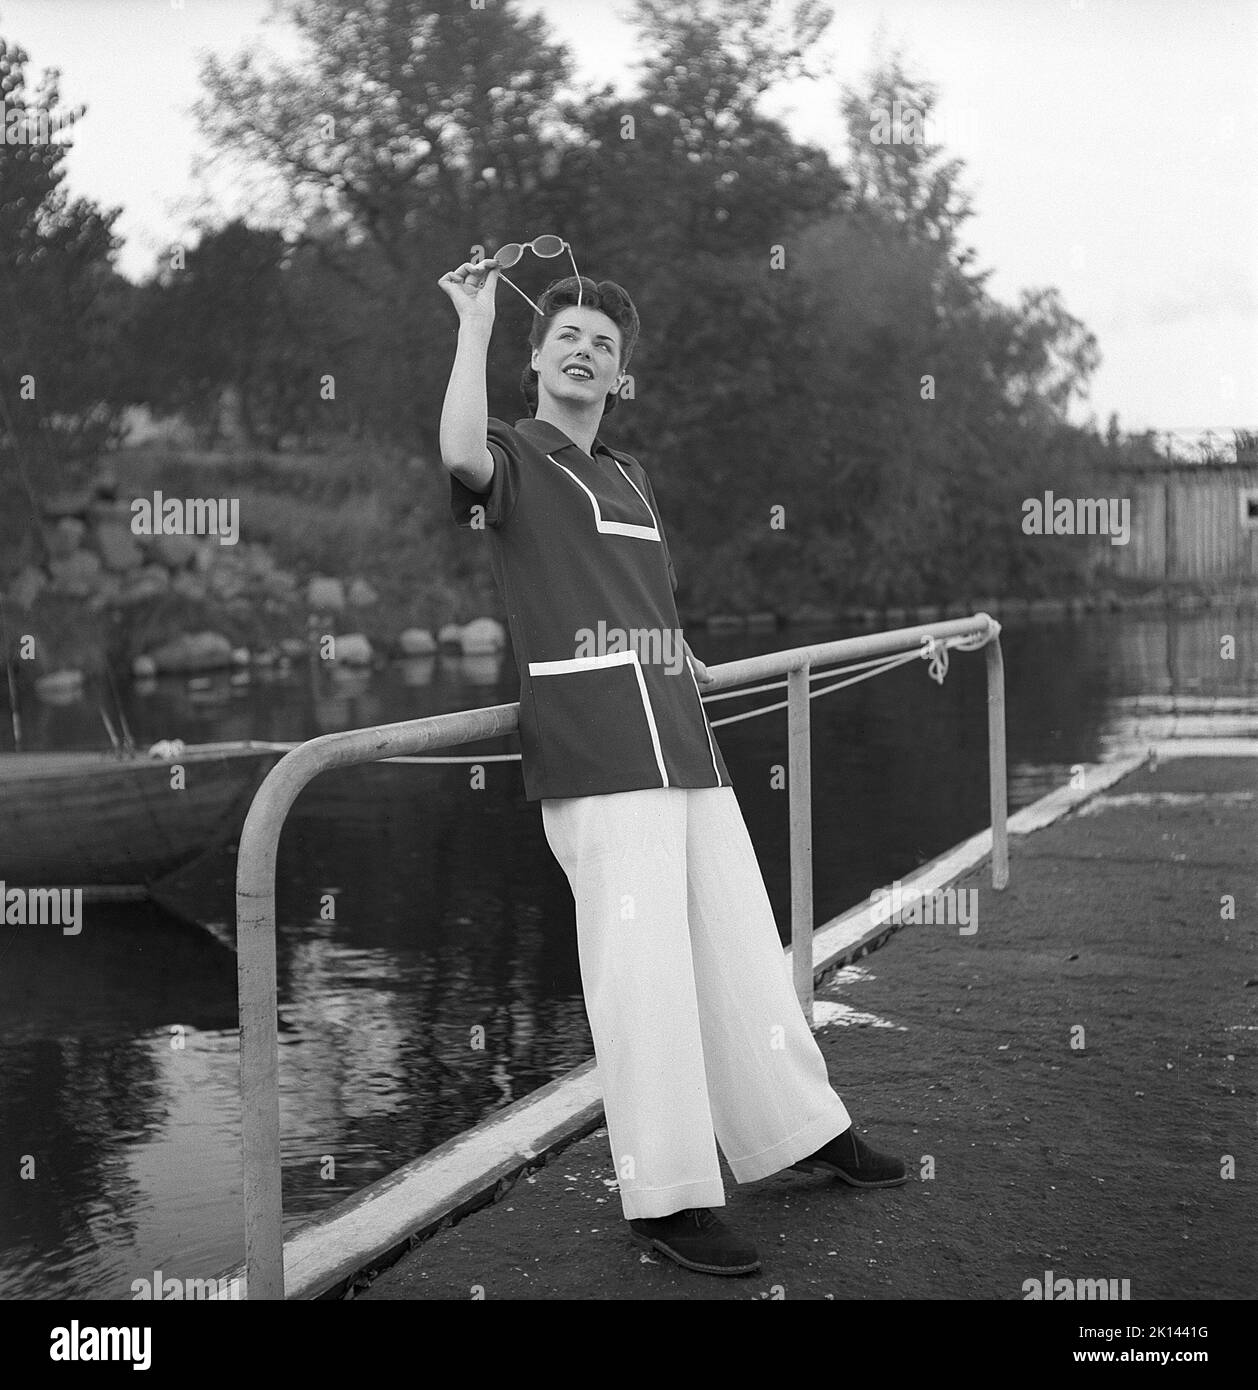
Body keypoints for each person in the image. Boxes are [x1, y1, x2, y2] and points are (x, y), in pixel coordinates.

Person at [437, 248, 907, 1278]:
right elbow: (458, 455)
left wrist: (679, 647)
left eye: (603, 346)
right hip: (596, 754)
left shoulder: (630, 473)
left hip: (680, 740)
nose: (586, 352)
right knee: (640, 976)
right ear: (534, 361)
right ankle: (666, 1196)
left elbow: (644, 595)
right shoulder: (512, 455)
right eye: (567, 338)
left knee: (742, 945)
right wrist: (471, 326)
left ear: (618, 375)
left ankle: (800, 1129)